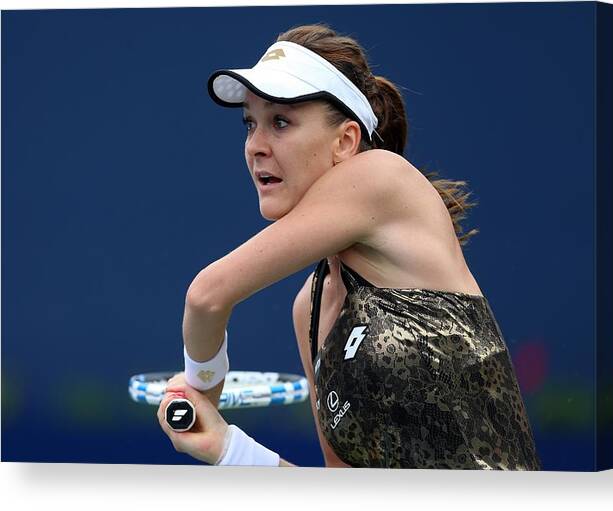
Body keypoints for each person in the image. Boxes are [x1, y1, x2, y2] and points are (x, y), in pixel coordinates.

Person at [157, 23, 541, 469]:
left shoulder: (381, 176)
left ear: (346, 141)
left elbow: (207, 296)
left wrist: (203, 385)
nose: (255, 146)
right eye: (250, 124)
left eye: (280, 122)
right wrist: (225, 447)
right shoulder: (311, 309)